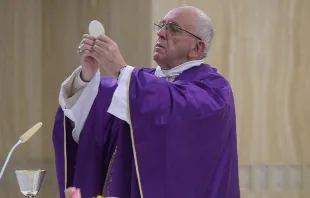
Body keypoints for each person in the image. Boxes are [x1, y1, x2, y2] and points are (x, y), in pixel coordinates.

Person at [53, 5, 240, 198]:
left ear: (197, 47)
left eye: (173, 29)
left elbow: (174, 109)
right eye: (161, 25)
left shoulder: (214, 90)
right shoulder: (139, 83)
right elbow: (97, 112)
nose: (160, 33)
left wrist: (121, 70)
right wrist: (87, 77)